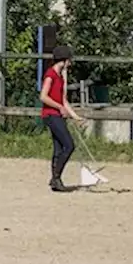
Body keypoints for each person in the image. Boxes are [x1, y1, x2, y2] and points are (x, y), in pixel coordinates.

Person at [40, 45, 84, 192]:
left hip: (57, 114)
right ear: (64, 61)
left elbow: (63, 100)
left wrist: (76, 116)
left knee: (58, 149)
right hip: (50, 115)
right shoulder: (50, 75)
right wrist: (59, 107)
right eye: (69, 60)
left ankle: (56, 181)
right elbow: (43, 96)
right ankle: (55, 178)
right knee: (69, 145)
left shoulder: (60, 77)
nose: (70, 63)